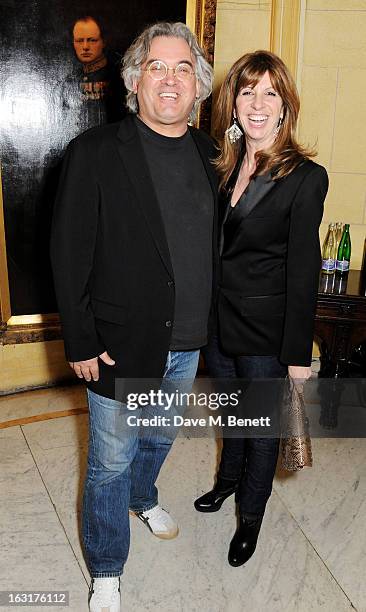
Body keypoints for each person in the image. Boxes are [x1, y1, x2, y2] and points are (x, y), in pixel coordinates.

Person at [50, 22, 216, 612]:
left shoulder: (212, 154)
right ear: (134, 80)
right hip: (119, 342)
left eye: (181, 69)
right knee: (109, 461)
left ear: (197, 85)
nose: (169, 80)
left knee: (161, 436)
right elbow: (68, 253)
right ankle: (107, 569)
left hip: (190, 340)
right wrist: (81, 340)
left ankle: (144, 497)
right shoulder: (95, 153)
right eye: (156, 67)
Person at [194, 50, 328, 568]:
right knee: (232, 416)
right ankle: (226, 482)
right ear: (232, 104)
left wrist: (298, 355)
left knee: (260, 431)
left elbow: (302, 270)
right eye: (247, 91)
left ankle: (250, 517)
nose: (257, 102)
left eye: (269, 92)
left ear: (285, 106)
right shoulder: (223, 168)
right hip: (219, 325)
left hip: (267, 333)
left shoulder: (304, 177)